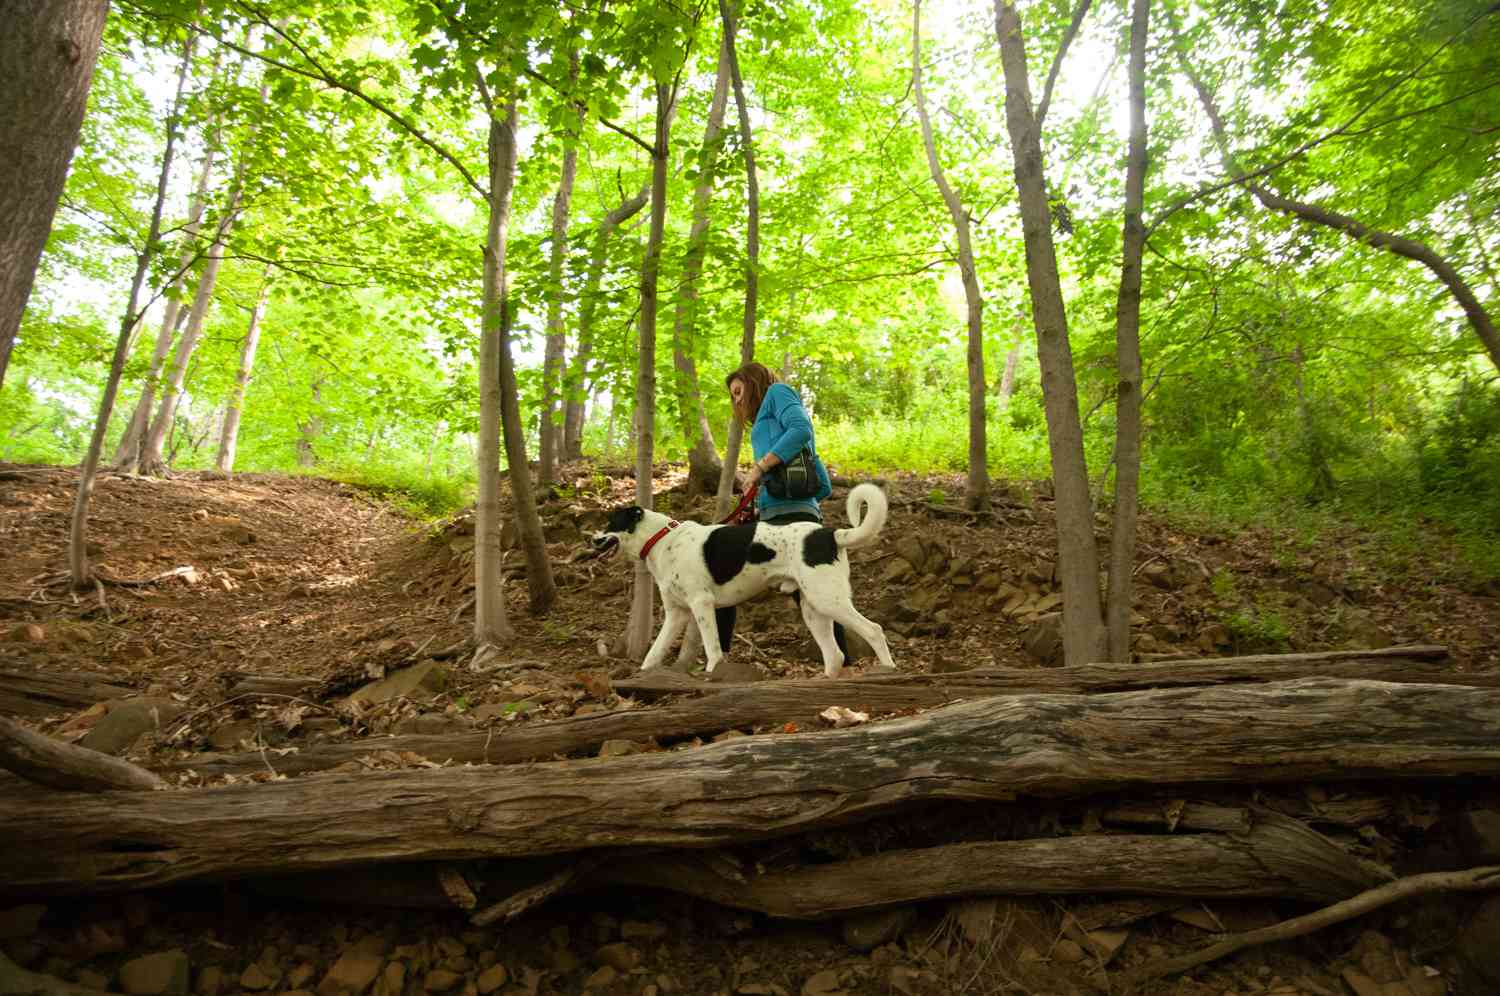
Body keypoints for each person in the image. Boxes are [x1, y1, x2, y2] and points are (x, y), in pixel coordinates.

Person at [718, 361, 848, 659]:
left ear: (753, 382)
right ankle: (719, 660)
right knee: (724, 575)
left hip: (793, 515)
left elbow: (802, 429)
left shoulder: (778, 392)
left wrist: (761, 467)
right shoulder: (764, 415)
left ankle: (846, 663)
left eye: (739, 391)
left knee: (816, 594)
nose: (737, 400)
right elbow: (817, 481)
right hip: (773, 513)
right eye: (733, 396)